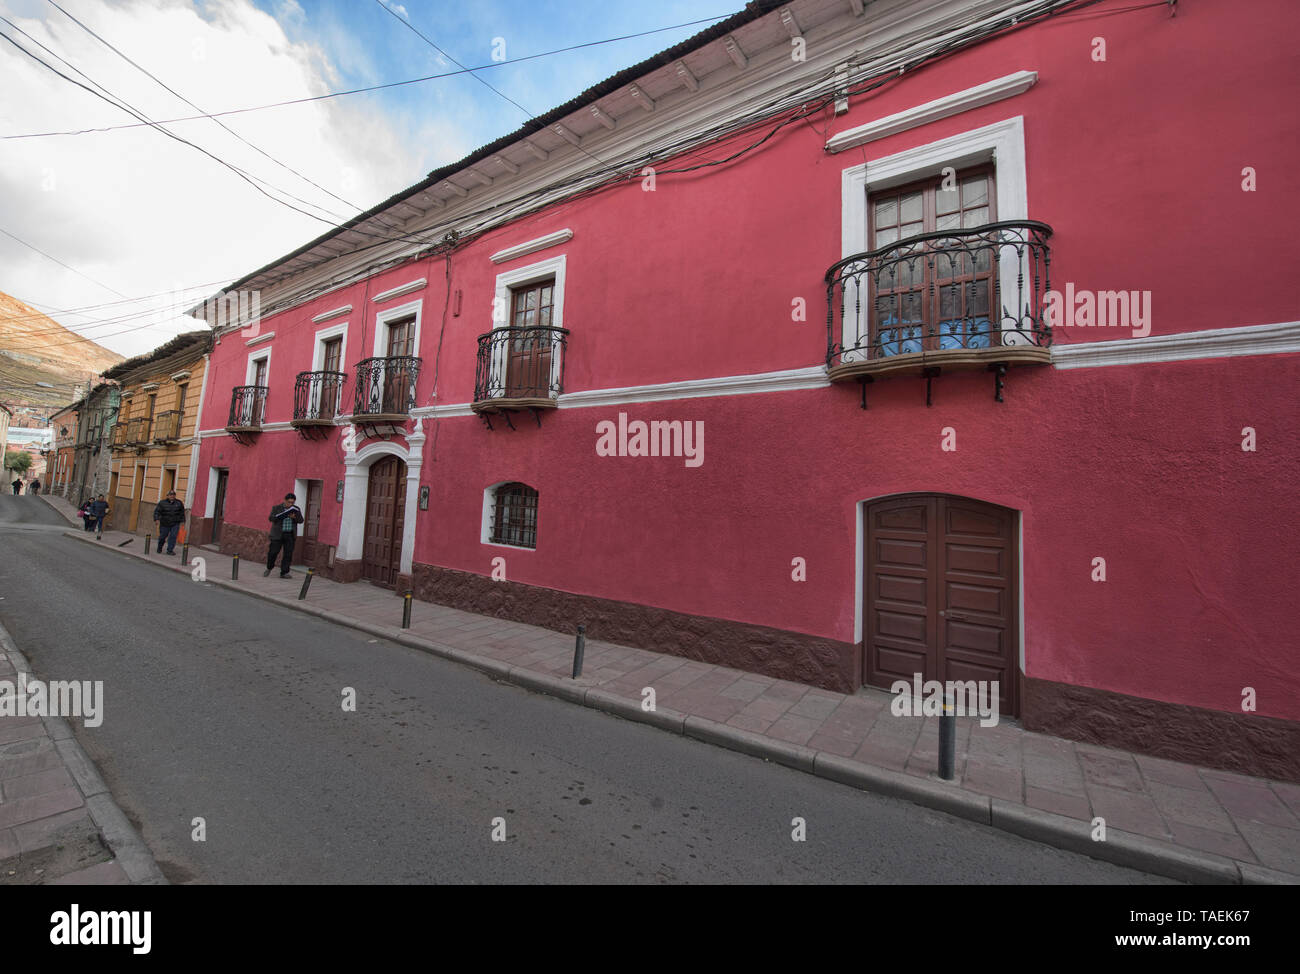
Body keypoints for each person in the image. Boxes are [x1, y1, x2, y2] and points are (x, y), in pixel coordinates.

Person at [265, 492, 304, 578]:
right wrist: (280, 516)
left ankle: (284, 572)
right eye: (289, 502)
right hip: (278, 534)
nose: (290, 504)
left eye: (292, 502)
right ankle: (269, 567)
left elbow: (301, 520)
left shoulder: (296, 509)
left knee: (288, 554)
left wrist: (294, 517)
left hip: (290, 534)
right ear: (285, 500)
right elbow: (271, 518)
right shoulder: (277, 508)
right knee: (273, 552)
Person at [153, 490, 186, 554]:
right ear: (167, 496)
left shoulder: (179, 503)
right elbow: (157, 512)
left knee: (173, 536)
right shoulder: (162, 503)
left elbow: (182, 513)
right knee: (162, 537)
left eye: (173, 495)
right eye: (170, 495)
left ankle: (170, 550)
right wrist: (156, 519)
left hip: (175, 523)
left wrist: (183, 521)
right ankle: (159, 547)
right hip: (164, 523)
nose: (172, 496)